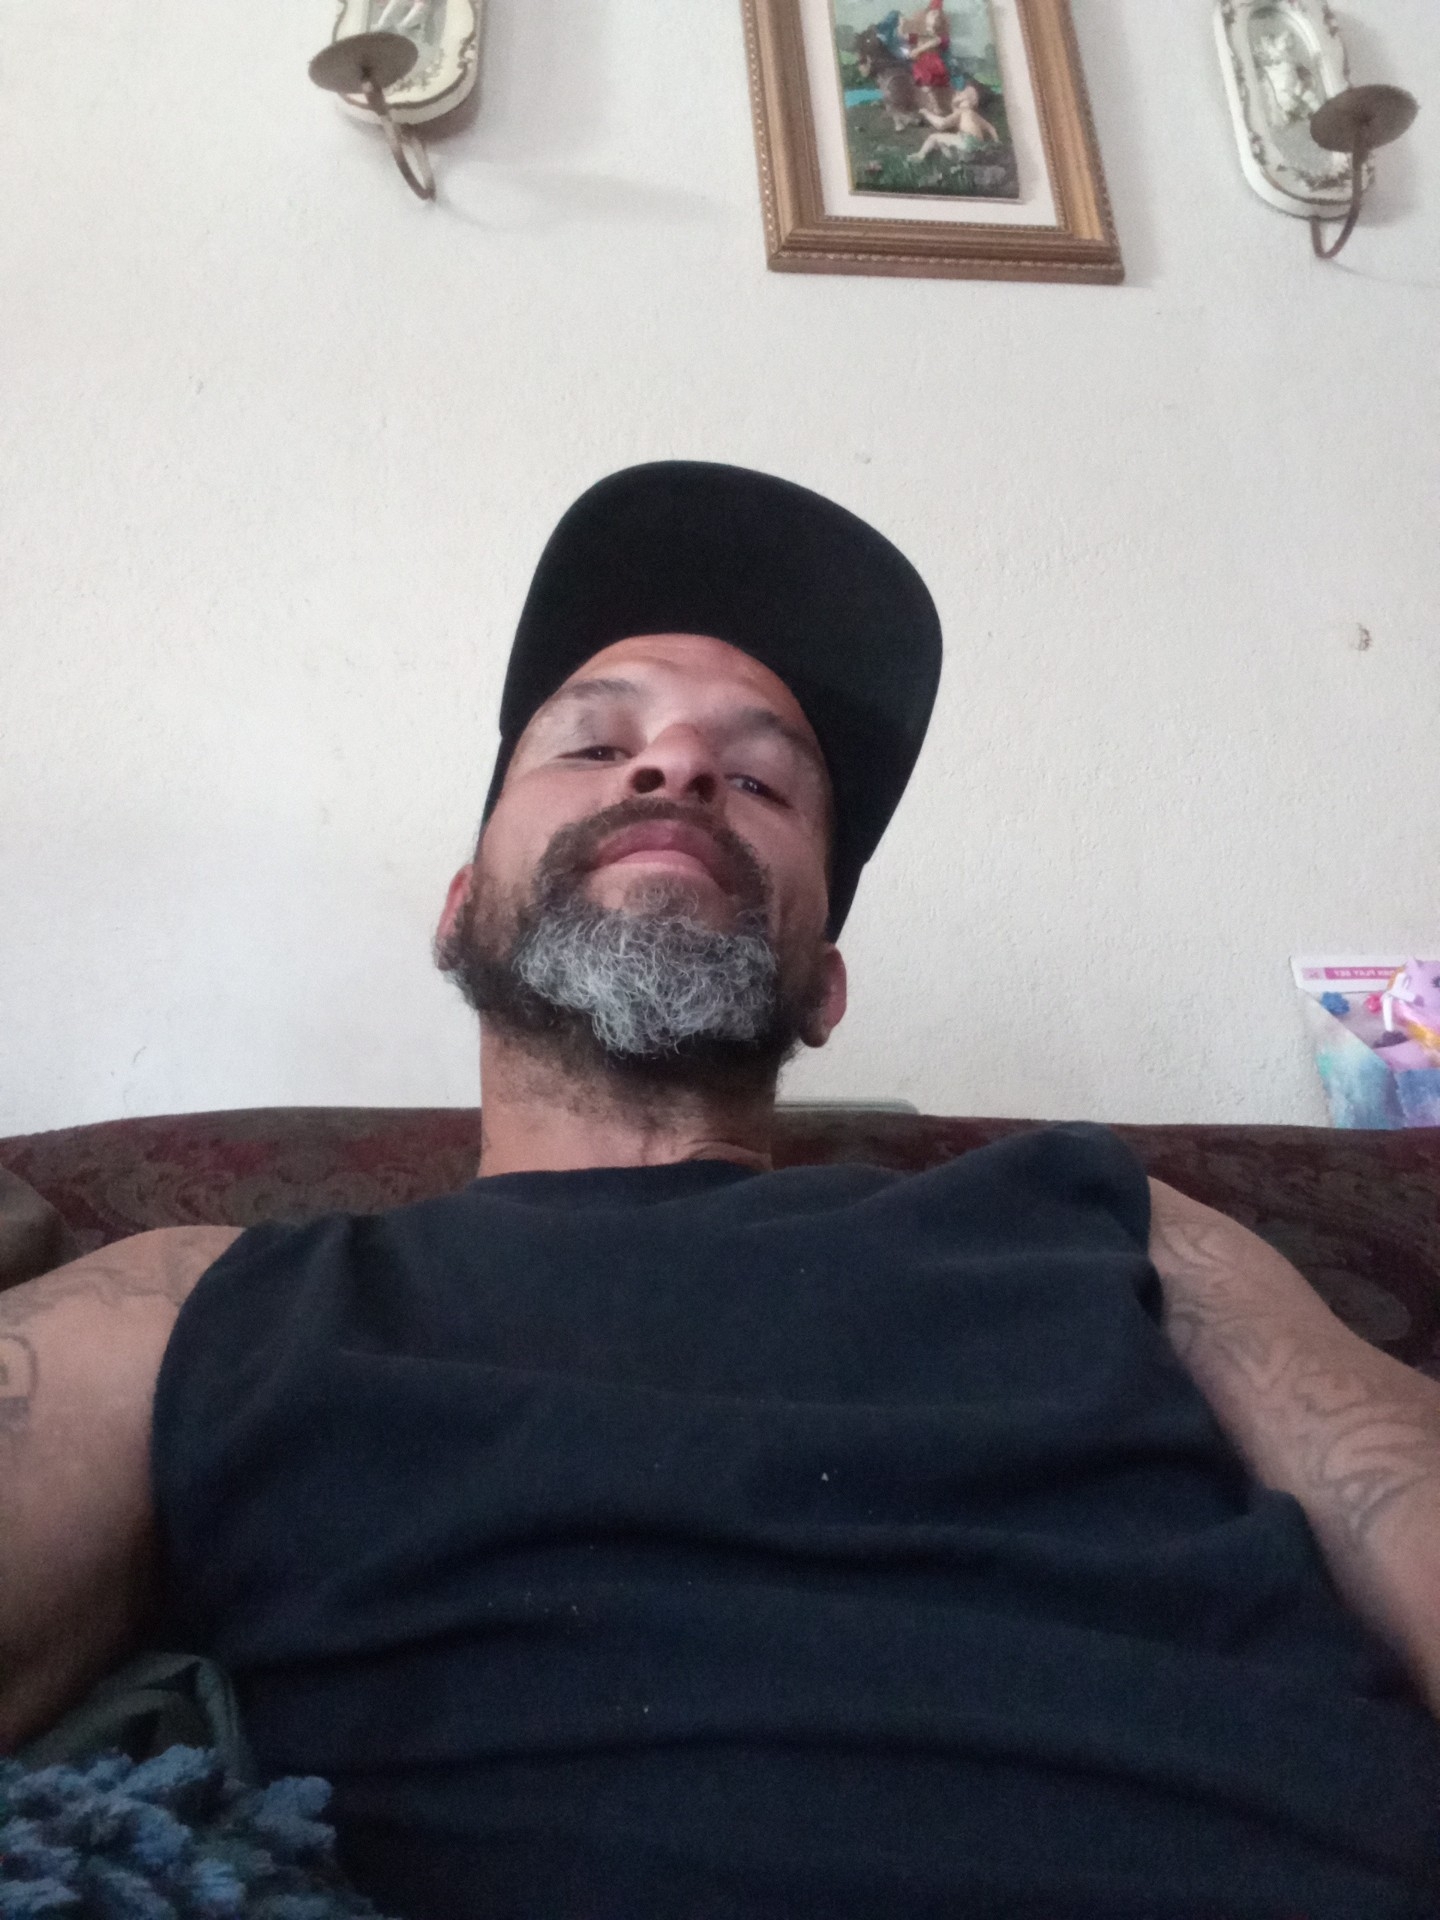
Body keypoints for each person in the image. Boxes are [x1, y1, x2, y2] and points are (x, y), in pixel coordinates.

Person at [2, 462, 1439, 1920]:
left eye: (757, 780)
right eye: (595, 743)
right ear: (458, 911)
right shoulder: (196, 1299)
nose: (676, 767)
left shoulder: (1109, 1217)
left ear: (824, 984)